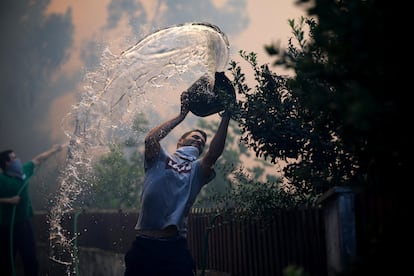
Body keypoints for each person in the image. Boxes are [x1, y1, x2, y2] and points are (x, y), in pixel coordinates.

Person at [124, 77, 232, 276]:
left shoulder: (196, 171)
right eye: (195, 137)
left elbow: (213, 156)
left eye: (202, 142)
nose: (199, 141)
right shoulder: (159, 159)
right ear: (180, 141)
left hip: (174, 249)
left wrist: (227, 115)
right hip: (144, 246)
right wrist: (181, 116)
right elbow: (150, 139)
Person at [0, 144, 64, 276]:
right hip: (6, 226)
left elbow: (38, 159)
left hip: (24, 223)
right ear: (6, 163)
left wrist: (54, 150)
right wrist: (8, 200)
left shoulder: (23, 171)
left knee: (30, 257)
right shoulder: (1, 179)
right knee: (6, 260)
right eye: (14, 158)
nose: (17, 160)